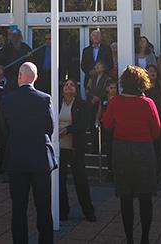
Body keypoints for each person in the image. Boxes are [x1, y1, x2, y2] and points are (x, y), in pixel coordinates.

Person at [103, 66, 161, 244]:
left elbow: (106, 124)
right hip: (144, 149)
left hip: (121, 149)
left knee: (125, 197)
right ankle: (145, 238)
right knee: (145, 197)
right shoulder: (148, 103)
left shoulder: (115, 102)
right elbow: (157, 131)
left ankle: (129, 238)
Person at [1, 62, 57, 244]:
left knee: (18, 208)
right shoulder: (44, 99)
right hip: (40, 159)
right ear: (36, 78)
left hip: (17, 159)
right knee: (43, 208)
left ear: (19, 76)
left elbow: (4, 129)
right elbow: (50, 127)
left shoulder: (7, 99)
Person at [57, 79, 96, 223]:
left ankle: (88, 211)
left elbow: (83, 124)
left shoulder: (82, 104)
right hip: (59, 147)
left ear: (76, 89)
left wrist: (68, 130)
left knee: (80, 180)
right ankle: (62, 211)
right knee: (59, 181)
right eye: (66, 84)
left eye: (72, 85)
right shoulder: (56, 102)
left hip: (75, 146)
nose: (68, 87)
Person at [145, 65, 161, 174]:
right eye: (150, 71)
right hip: (148, 122)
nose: (152, 73)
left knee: (159, 147)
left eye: (154, 71)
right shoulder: (143, 89)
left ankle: (158, 170)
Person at [81, 30, 113, 96]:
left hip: (103, 81)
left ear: (101, 38)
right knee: (90, 102)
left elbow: (110, 64)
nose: (95, 37)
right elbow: (83, 65)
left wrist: (101, 70)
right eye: (94, 36)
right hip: (89, 80)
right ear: (91, 38)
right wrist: (89, 71)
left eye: (97, 36)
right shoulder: (86, 50)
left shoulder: (107, 49)